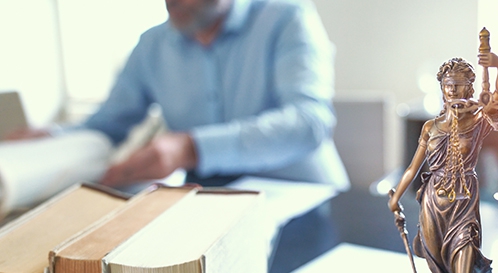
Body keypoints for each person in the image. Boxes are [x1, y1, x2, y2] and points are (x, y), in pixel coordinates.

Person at [5, 0, 349, 190]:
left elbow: (308, 123)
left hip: (305, 199)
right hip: (206, 205)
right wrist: (52, 137)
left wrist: (190, 147)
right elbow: (108, 124)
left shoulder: (288, 18)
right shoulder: (151, 44)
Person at [387, 55, 498, 273]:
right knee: (440, 271)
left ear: (470, 87)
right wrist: (395, 197)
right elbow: (411, 169)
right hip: (432, 203)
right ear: (442, 87)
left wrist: (497, 64)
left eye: (460, 85)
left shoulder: (477, 120)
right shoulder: (431, 127)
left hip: (463, 203)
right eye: (448, 85)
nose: (453, 91)